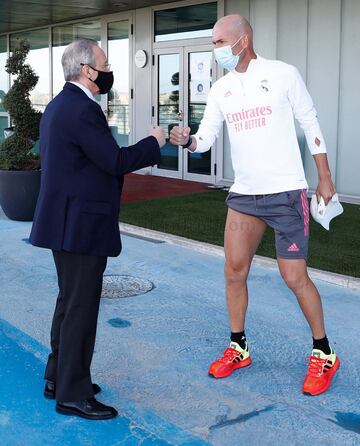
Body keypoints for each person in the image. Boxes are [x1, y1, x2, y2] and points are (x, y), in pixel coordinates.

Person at [170, 15, 339, 396]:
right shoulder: (221, 90)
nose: (216, 50)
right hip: (244, 195)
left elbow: (309, 121)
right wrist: (186, 141)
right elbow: (206, 139)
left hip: (285, 193)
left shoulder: (283, 74)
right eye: (213, 43)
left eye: (219, 42)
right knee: (233, 271)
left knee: (294, 278)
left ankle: (324, 351)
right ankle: (238, 346)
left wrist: (324, 176)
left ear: (243, 40)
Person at [30, 38, 166, 419]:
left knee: (68, 302)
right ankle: (73, 394)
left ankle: (59, 376)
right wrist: (153, 142)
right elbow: (115, 160)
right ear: (88, 71)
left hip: (66, 222)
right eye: (105, 65)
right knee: (81, 308)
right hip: (80, 224)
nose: (108, 72)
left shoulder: (60, 105)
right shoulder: (81, 110)